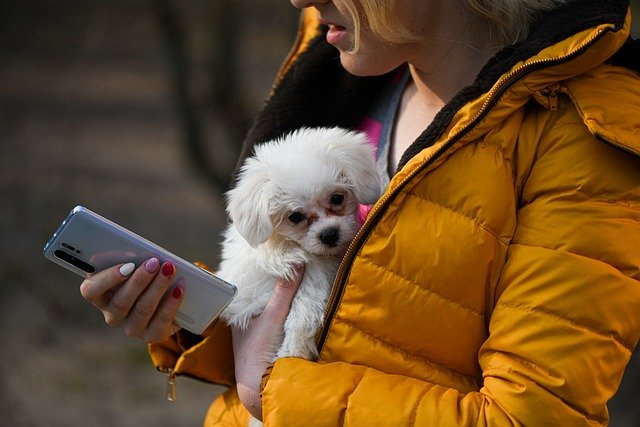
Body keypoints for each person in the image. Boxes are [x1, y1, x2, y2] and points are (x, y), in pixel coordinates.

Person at [80, 0, 640, 425]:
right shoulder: (344, 86)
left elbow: (529, 416)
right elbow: (331, 321)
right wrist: (192, 320)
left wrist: (272, 389)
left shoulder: (576, 137)